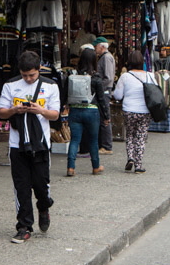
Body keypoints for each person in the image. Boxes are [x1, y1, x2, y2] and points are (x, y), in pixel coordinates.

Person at [0, 51, 61, 244]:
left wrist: (40, 110)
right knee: (21, 187)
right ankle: (24, 226)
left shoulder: (50, 86)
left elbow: (55, 115)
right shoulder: (10, 85)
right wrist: (14, 110)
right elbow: (1, 113)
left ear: (39, 70)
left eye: (32, 75)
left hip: (40, 144)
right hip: (18, 145)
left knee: (41, 184)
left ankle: (44, 206)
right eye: (24, 75)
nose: (28, 79)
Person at [65, 48, 110, 177]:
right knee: (93, 140)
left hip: (75, 110)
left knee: (75, 140)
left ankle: (70, 167)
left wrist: (64, 105)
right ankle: (95, 166)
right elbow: (101, 99)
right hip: (92, 111)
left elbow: (65, 93)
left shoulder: (72, 75)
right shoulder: (95, 78)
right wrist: (106, 116)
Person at [113, 50, 153, 174]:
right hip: (144, 110)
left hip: (129, 110)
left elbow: (118, 96)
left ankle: (130, 158)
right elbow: (156, 92)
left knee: (130, 134)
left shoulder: (125, 76)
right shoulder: (149, 76)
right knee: (140, 137)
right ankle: (139, 165)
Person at [93, 37, 115, 156]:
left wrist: (99, 87)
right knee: (102, 117)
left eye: (96, 46)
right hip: (104, 90)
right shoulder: (105, 57)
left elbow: (108, 78)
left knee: (104, 118)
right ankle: (104, 144)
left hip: (105, 91)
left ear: (101, 46)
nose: (95, 49)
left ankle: (107, 146)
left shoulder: (106, 57)